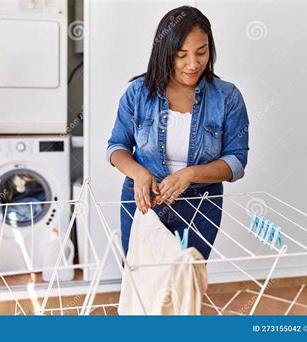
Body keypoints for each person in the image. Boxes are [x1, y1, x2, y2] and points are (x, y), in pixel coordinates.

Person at [106, 5, 249, 260]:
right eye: (181, 55)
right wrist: (139, 173)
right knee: (142, 283)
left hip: (201, 205)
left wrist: (190, 175)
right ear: (164, 52)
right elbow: (117, 147)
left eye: (201, 52)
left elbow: (236, 162)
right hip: (143, 202)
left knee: (187, 283)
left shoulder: (228, 97)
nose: (193, 64)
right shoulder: (137, 93)